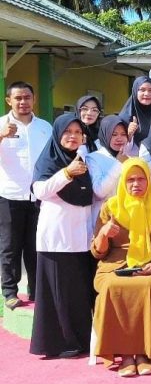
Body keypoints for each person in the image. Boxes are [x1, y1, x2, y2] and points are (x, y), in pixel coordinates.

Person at [90, 158, 151, 377]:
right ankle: (126, 355)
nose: (136, 184)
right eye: (130, 179)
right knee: (112, 287)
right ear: (123, 182)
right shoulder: (110, 207)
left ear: (149, 181)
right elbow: (98, 252)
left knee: (145, 287)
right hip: (115, 264)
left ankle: (143, 353)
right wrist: (104, 234)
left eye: (141, 179)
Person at [29, 113, 94, 358]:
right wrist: (67, 173)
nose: (73, 136)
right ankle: (57, 344)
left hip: (81, 237)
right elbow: (40, 190)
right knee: (56, 294)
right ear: (57, 134)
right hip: (56, 239)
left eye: (77, 132)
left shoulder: (84, 159)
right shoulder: (49, 160)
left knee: (77, 294)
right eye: (67, 132)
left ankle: (80, 342)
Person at [0, 81, 52, 310]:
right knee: (10, 246)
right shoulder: (1, 125)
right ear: (8, 101)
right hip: (9, 196)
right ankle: (10, 292)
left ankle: (36, 289)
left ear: (34, 99)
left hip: (39, 196)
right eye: (18, 98)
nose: (23, 102)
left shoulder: (45, 127)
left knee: (36, 246)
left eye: (27, 97)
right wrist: (1, 136)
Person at [87, 115, 130, 225]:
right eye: (114, 134)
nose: (119, 138)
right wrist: (119, 164)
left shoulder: (129, 158)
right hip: (103, 219)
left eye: (123, 134)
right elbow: (99, 192)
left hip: (125, 218)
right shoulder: (94, 158)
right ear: (105, 135)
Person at [118, 76, 151, 146]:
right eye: (142, 90)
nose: (147, 94)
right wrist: (128, 134)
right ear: (135, 91)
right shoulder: (124, 118)